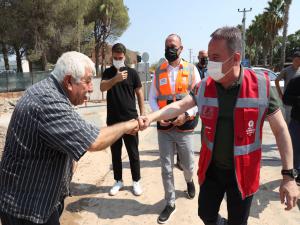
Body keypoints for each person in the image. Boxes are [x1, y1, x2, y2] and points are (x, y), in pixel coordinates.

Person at [139, 27, 299, 225]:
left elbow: (281, 130)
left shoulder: (262, 86)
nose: (210, 63)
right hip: (212, 169)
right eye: (209, 55)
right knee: (205, 214)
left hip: (243, 172)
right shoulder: (205, 85)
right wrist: (151, 116)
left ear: (236, 58)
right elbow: (180, 105)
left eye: (215, 57)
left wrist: (288, 176)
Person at [0, 51, 139, 225]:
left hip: (38, 201)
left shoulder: (51, 92)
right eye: (87, 81)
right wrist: (127, 125)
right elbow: (95, 141)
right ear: (68, 81)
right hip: (27, 209)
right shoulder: (48, 102)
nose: (91, 88)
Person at [148, 34, 200, 224]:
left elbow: (198, 98)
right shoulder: (159, 71)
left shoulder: (191, 69)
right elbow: (152, 98)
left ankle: (189, 180)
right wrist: (158, 115)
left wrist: (185, 115)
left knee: (187, 164)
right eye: (167, 45)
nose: (170, 48)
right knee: (166, 168)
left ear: (181, 48)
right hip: (164, 129)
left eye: (173, 46)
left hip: (185, 126)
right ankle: (170, 202)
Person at [100, 43, 145, 196]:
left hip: (130, 120)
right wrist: (116, 78)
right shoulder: (108, 72)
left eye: (120, 57)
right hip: (113, 122)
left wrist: (142, 114)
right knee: (115, 153)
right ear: (111, 56)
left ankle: (136, 181)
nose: (118, 60)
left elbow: (139, 93)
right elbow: (102, 87)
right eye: (115, 57)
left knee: (133, 153)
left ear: (124, 56)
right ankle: (118, 181)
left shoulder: (132, 73)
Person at [283, 75, 300, 185]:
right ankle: (296, 174)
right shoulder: (296, 81)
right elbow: (285, 99)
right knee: (295, 149)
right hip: (297, 122)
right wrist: (298, 100)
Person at [275, 51, 300, 123]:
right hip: (289, 98)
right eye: (296, 60)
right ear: (293, 60)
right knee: (289, 119)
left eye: (299, 60)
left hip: (297, 100)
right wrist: (280, 93)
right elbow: (277, 81)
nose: (298, 62)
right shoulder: (286, 70)